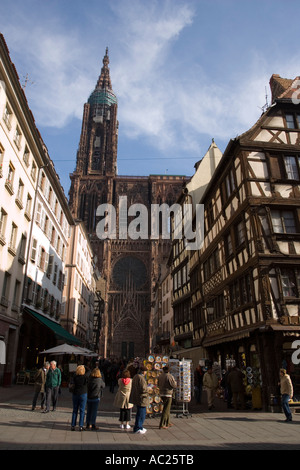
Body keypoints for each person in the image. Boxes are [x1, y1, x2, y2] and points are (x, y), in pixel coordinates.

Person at [129, 365, 149, 434]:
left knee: (139, 412)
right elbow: (143, 388)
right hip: (142, 398)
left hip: (137, 397)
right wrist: (148, 389)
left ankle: (139, 426)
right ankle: (138, 427)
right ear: (143, 372)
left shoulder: (135, 376)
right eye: (145, 371)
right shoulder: (141, 378)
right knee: (141, 413)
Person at [71, 365, 88, 431]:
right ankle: (81, 425)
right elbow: (89, 371)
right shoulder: (85, 377)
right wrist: (84, 367)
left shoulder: (75, 377)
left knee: (75, 410)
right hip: (83, 394)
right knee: (82, 410)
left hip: (75, 394)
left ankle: (73, 425)